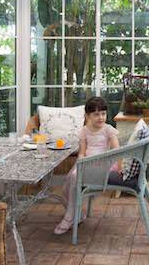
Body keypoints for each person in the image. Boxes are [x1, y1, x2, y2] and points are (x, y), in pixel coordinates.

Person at [54, 96, 121, 235]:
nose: (101, 117)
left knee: (75, 177)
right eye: (96, 114)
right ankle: (77, 213)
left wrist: (120, 167)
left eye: (103, 114)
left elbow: (117, 151)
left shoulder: (108, 130)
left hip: (101, 164)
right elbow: (82, 152)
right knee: (67, 183)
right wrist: (81, 161)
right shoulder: (84, 131)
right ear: (87, 116)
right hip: (86, 162)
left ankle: (69, 217)